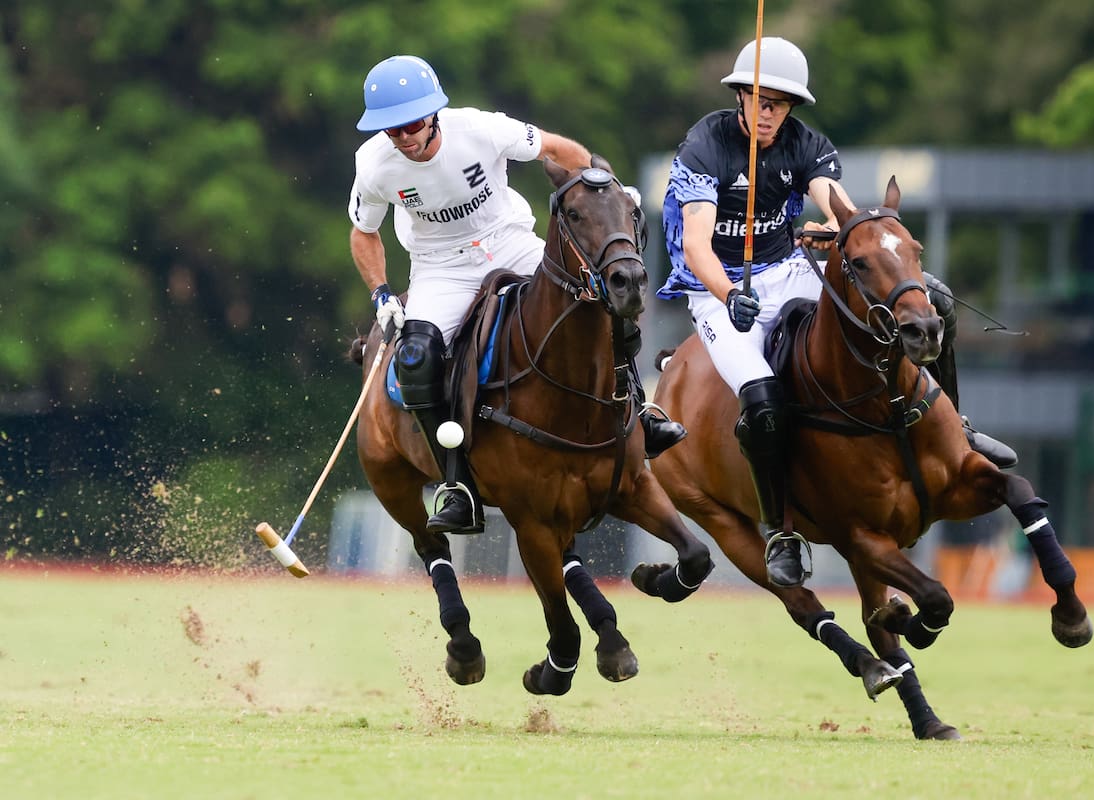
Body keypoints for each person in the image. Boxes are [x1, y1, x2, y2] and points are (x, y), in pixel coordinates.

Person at [657, 37, 1016, 586]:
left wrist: (843, 230)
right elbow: (698, 246)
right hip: (717, 289)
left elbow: (831, 197)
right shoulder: (706, 147)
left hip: (786, 267)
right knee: (761, 395)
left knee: (916, 310)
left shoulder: (804, 143)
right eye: (760, 100)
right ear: (741, 98)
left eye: (780, 103)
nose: (770, 112)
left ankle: (956, 430)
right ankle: (781, 529)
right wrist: (730, 296)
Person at [348, 55, 684, 535]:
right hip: (441, 269)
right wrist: (382, 294)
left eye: (412, 125)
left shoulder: (481, 130)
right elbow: (364, 232)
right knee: (417, 357)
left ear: (434, 114)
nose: (403, 137)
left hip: (510, 242)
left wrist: (604, 186)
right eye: (391, 130)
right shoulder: (374, 164)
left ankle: (641, 415)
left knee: (604, 305)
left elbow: (558, 149)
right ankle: (457, 484)